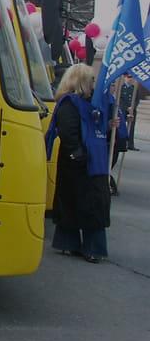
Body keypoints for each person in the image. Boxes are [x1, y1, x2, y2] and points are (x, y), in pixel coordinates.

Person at [44, 63, 116, 263]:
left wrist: (109, 125)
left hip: (94, 162)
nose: (94, 83)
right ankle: (74, 244)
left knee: (93, 206)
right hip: (78, 165)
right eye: (91, 80)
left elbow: (94, 128)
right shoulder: (69, 103)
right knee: (75, 205)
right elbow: (68, 132)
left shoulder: (90, 103)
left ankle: (89, 246)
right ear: (81, 81)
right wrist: (79, 155)